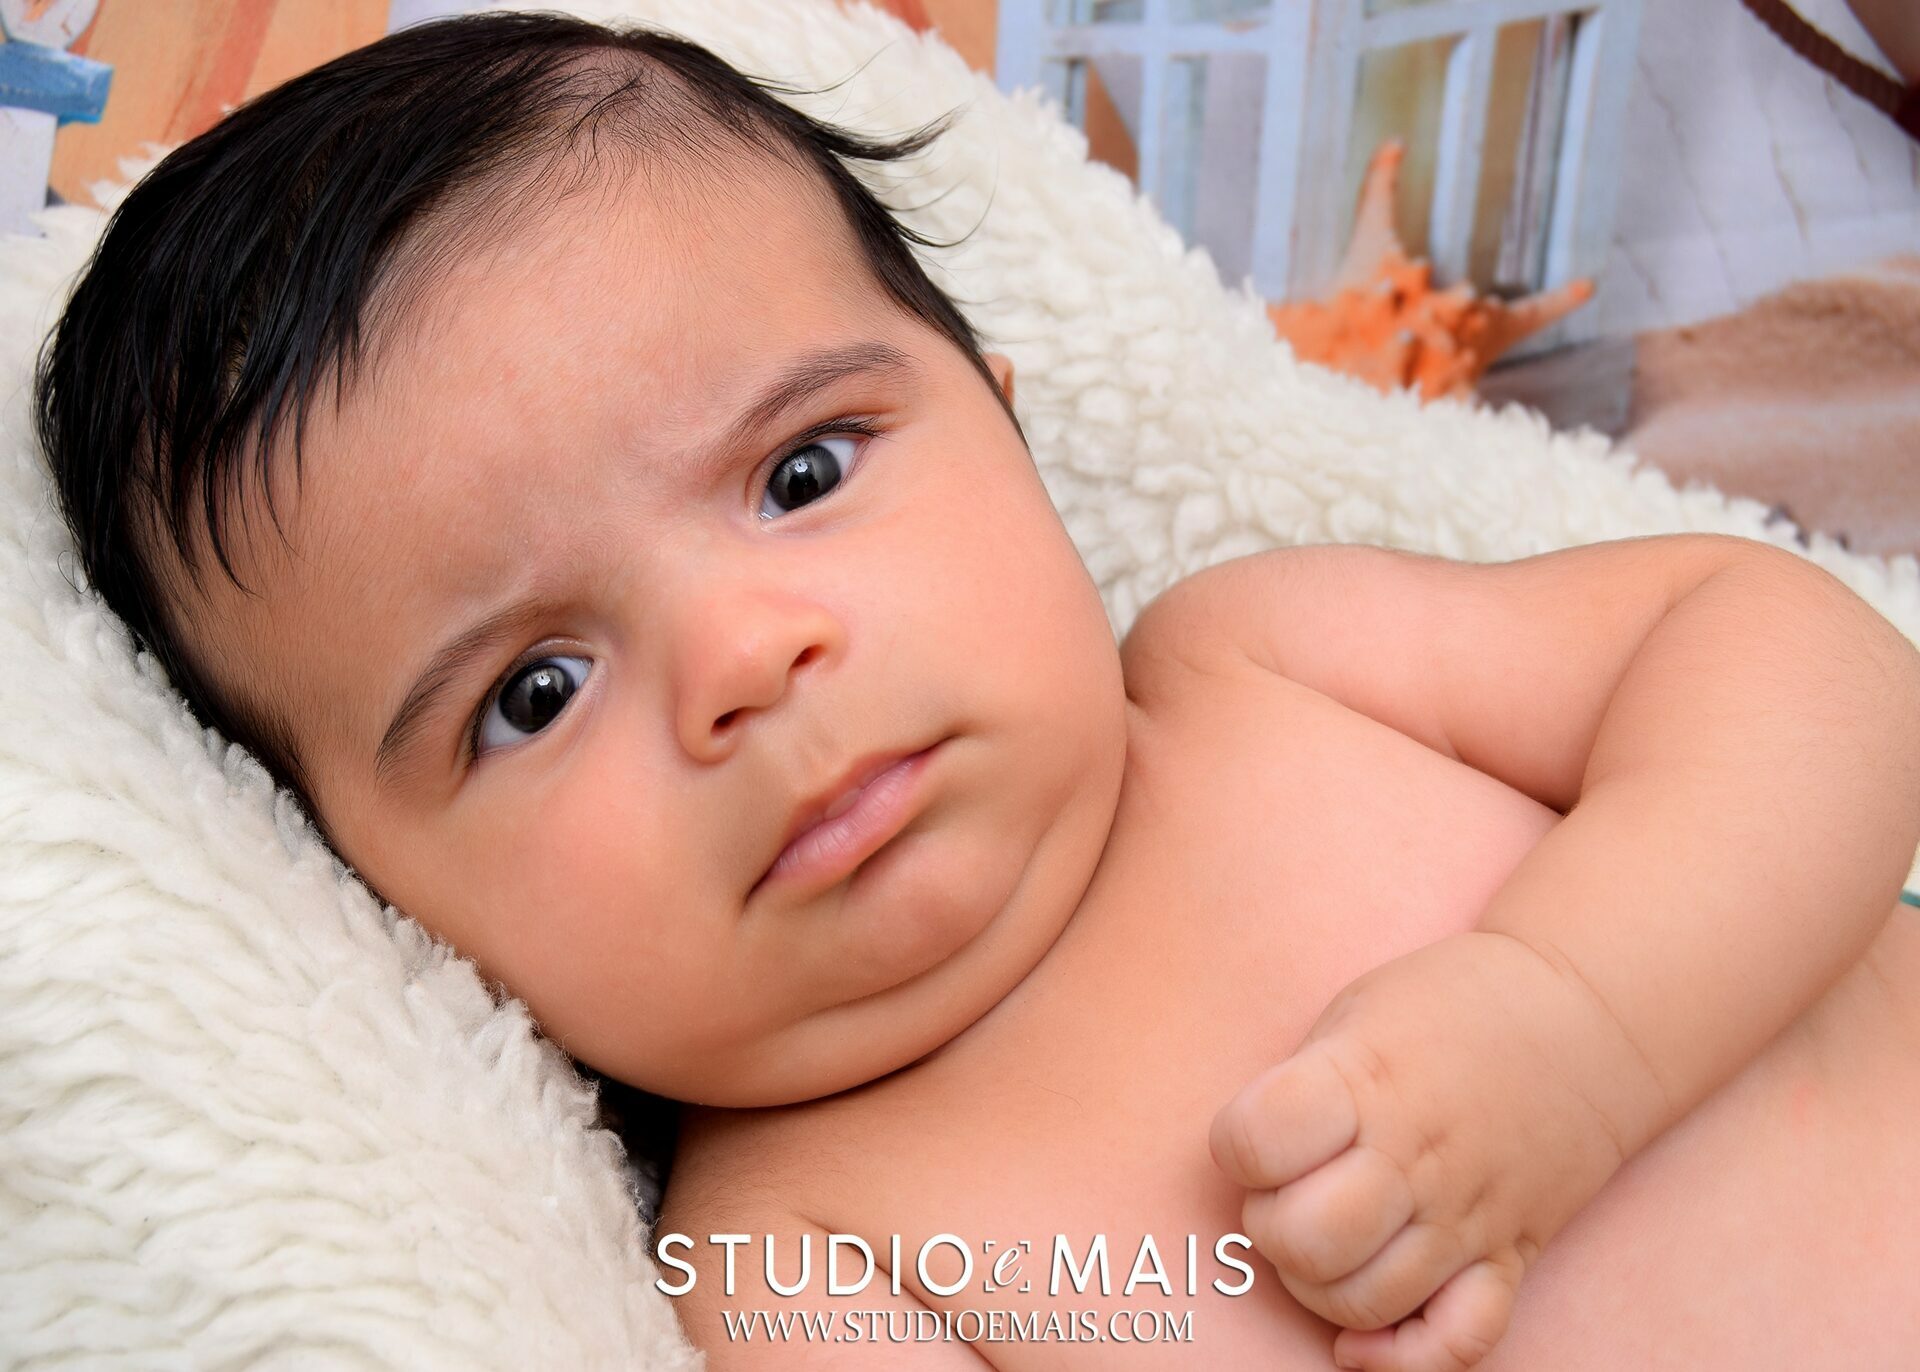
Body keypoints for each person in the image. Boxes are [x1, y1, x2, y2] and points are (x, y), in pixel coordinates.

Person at [33, 13, 1920, 1370]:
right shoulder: (796, 1262)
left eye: (801, 473)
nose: (746, 665)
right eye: (531, 693)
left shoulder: (1267, 660)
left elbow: (1794, 662)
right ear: (371, 895)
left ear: (1011, 436)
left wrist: (1573, 1027)